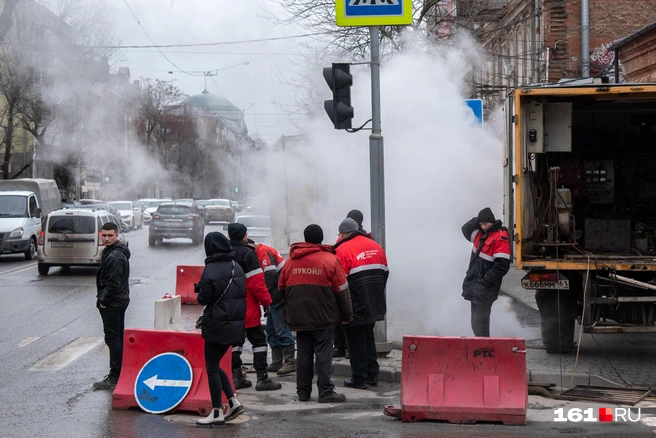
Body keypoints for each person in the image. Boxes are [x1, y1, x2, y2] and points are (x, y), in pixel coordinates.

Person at [278, 224, 353, 403]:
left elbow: (281, 288)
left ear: (305, 238)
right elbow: (342, 291)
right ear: (321, 238)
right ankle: (326, 391)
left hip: (299, 318)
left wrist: (291, 308)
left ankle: (303, 392)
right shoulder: (330, 260)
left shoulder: (290, 261)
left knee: (303, 354)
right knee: (323, 355)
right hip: (323, 317)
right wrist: (346, 316)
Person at [195, 232, 246, 428]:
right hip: (234, 325)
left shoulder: (211, 269)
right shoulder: (237, 266)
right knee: (216, 364)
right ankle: (233, 402)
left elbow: (204, 299)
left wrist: (200, 289)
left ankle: (217, 411)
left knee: (211, 367)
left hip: (217, 325)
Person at [334, 217, 389, 390]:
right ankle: (373, 375)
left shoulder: (342, 249)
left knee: (355, 341)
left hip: (355, 302)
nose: (340, 237)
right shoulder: (375, 245)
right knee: (368, 338)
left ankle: (359, 379)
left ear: (346, 233)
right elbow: (385, 273)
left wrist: (341, 308)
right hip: (374, 301)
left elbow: (339, 282)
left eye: (341, 234)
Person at [228, 223, 282, 391]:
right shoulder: (248, 254)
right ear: (244, 236)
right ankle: (262, 378)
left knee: (234, 342)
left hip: (228, 308)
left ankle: (236, 376)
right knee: (258, 341)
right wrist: (267, 301)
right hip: (247, 307)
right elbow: (257, 284)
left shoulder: (222, 253)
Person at [246, 239, 296, 376]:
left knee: (281, 328)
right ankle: (277, 361)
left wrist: (264, 296)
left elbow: (270, 275)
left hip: (278, 296)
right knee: (271, 330)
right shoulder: (260, 252)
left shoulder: (262, 252)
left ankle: (290, 362)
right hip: (274, 296)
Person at [461, 207, 511, 337]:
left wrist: (485, 282)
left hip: (485, 288)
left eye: (485, 224)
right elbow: (465, 228)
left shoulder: (500, 237)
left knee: (480, 324)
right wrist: (478, 219)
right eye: (480, 224)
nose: (483, 227)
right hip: (476, 286)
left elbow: (502, 266)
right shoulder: (479, 234)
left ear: (492, 222)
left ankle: (484, 350)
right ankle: (481, 348)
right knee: (475, 323)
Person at [93, 222, 131, 390]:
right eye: (104, 235)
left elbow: (113, 283)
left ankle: (115, 376)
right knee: (117, 337)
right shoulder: (112, 251)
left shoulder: (115, 255)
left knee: (112, 338)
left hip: (113, 302)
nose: (106, 238)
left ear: (117, 235)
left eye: (110, 235)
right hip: (119, 300)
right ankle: (120, 372)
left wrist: (103, 300)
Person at [333, 209, 372, 359]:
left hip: (355, 282)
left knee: (353, 322)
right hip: (347, 281)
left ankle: (351, 349)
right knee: (340, 319)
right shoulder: (342, 238)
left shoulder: (364, 238)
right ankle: (340, 347)